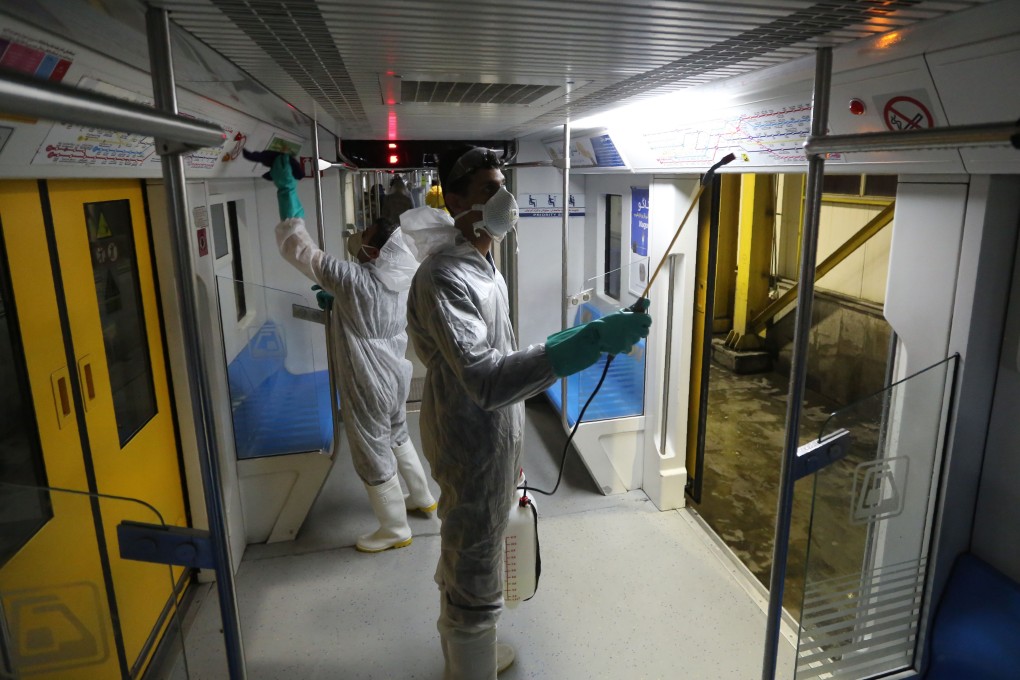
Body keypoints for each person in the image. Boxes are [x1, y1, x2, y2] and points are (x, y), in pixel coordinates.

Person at [406, 144, 651, 678]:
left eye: (504, 187)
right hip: (470, 437)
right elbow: (486, 378)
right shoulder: (444, 276)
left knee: (475, 545)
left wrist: (584, 338)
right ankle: (469, 663)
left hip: (493, 434)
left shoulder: (482, 264)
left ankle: (465, 652)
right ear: (455, 201)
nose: (506, 200)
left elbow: (503, 353)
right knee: (474, 559)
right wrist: (582, 345)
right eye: (490, 190)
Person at [269, 154, 437, 553]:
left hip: (367, 378)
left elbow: (299, 249)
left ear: (375, 252)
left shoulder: (353, 279)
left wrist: (287, 192)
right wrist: (338, 303)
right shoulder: (403, 277)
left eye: (366, 235)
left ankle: (394, 528)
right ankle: (423, 497)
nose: (359, 236)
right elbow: (367, 305)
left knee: (370, 446)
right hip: (395, 372)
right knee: (397, 433)